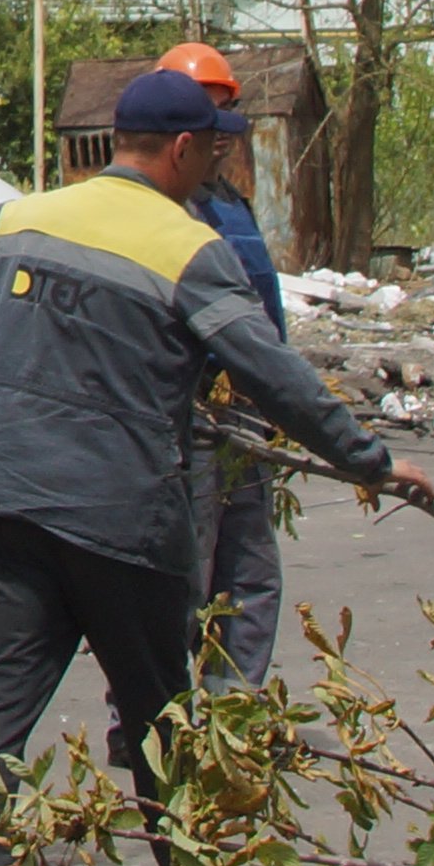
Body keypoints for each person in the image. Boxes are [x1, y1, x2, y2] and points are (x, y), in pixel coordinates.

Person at [0, 60, 429, 866]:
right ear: (186, 148)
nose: (214, 170)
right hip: (120, 517)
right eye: (213, 153)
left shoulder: (21, 216)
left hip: (2, 499)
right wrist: (369, 460)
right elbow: (270, 370)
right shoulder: (186, 246)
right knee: (161, 715)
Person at [152, 44, 294, 687]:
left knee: (250, 564)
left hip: (246, 403)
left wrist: (277, 395)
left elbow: (261, 306)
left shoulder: (231, 203)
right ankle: (151, 708)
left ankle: (234, 702)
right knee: (186, 565)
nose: (221, 136)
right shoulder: (161, 205)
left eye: (224, 117)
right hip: (190, 405)